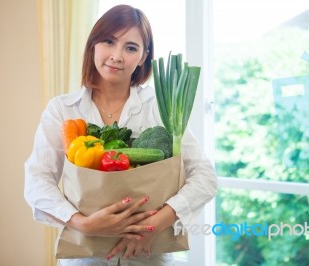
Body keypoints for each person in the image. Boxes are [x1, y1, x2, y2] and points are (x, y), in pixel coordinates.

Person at [24, 4, 217, 266]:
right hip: (86, 259)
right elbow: (37, 180)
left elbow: (205, 176)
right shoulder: (62, 110)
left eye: (130, 47)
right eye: (108, 41)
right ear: (93, 45)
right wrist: (83, 224)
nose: (117, 55)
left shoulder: (159, 107)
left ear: (143, 57)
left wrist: (154, 224)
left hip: (150, 257)